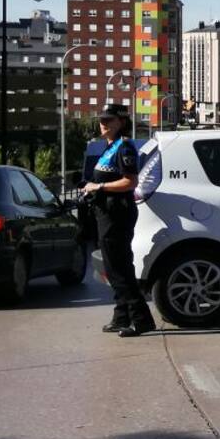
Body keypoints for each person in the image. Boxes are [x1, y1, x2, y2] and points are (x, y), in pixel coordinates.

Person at [80, 103, 157, 337]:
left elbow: (130, 181)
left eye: (109, 120)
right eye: (101, 119)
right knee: (115, 266)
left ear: (121, 122)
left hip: (117, 212)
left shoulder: (125, 148)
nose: (103, 123)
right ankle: (121, 315)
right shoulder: (109, 148)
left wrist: (99, 185)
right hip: (106, 212)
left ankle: (140, 319)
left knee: (118, 269)